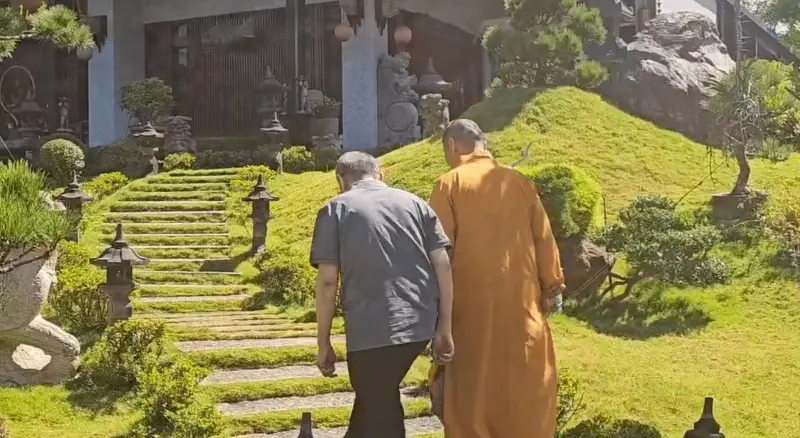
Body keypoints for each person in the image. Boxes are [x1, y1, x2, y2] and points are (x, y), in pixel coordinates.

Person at [428, 119, 566, 438]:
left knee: (472, 396)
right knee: (524, 392)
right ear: (484, 143)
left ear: (452, 146)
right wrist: (551, 287)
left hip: (468, 312)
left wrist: (435, 311)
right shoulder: (520, 183)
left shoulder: (448, 184)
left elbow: (438, 253)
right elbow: (544, 240)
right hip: (523, 308)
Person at [310, 151, 455, 438]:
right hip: (420, 323)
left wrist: (323, 341)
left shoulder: (335, 210)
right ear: (381, 174)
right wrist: (444, 326)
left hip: (371, 329)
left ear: (340, 181)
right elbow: (443, 264)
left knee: (378, 407)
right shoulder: (415, 204)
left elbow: (327, 281)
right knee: (375, 403)